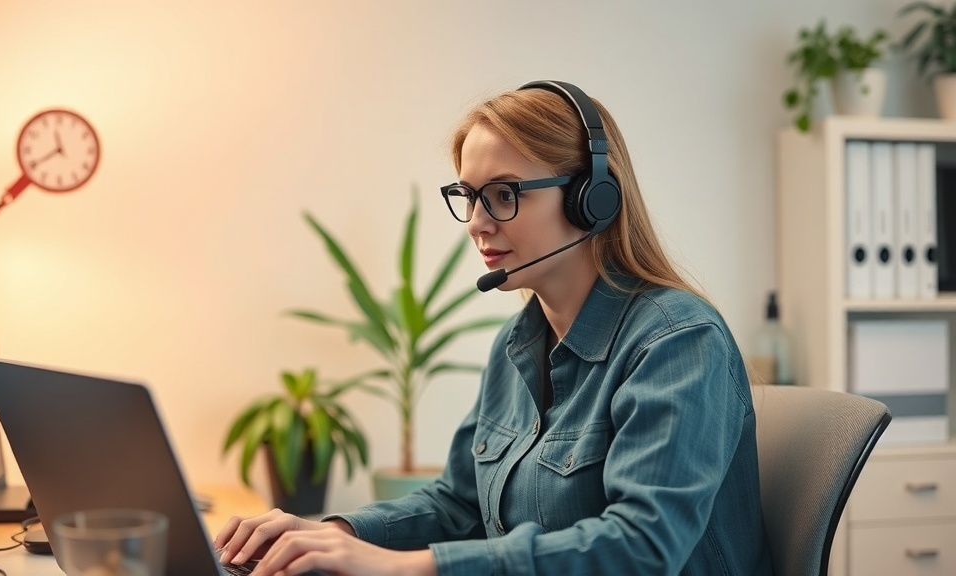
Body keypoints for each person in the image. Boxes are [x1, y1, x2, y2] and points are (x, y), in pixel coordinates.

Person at [214, 80, 772, 575]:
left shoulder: (677, 342)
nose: (478, 224)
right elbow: (459, 505)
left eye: (504, 195)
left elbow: (641, 548)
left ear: (591, 199)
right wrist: (337, 534)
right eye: (468, 197)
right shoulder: (518, 346)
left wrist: (410, 567)